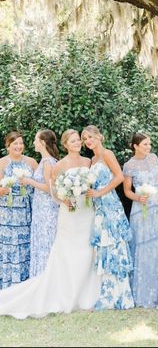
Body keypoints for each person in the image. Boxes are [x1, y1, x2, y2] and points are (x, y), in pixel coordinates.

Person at [0, 129, 101, 319]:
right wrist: (65, 200)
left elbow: (92, 185)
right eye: (73, 140)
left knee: (87, 250)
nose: (78, 142)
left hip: (86, 211)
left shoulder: (88, 162)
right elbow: (54, 191)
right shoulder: (59, 164)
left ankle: (86, 292)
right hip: (69, 212)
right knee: (68, 251)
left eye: (78, 140)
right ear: (64, 144)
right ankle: (66, 291)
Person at [82, 125, 134, 310]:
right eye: (85, 139)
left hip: (110, 204)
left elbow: (119, 177)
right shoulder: (92, 159)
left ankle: (122, 296)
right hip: (99, 209)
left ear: (98, 137)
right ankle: (107, 293)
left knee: (115, 245)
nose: (88, 141)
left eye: (90, 137)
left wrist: (99, 192)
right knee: (104, 247)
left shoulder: (107, 154)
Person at [123, 132, 158, 307]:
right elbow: (127, 190)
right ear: (135, 146)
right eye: (145, 145)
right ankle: (141, 292)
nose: (148, 148)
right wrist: (137, 198)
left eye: (150, 144)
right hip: (140, 208)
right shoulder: (129, 165)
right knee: (142, 245)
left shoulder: (154, 158)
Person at [0, 131, 37, 289]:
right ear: (8, 146)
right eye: (15, 143)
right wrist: (2, 191)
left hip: (26, 212)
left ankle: (26, 284)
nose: (19, 146)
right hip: (7, 213)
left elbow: (41, 185)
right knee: (9, 246)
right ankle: (8, 284)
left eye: (21, 143)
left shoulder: (31, 162)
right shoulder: (1, 163)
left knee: (25, 244)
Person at [20, 130, 60, 277]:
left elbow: (50, 189)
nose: (33, 143)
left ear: (42, 143)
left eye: (36, 140)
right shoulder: (44, 161)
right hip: (40, 209)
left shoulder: (48, 162)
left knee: (46, 243)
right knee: (41, 242)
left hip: (47, 211)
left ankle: (45, 278)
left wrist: (29, 181)